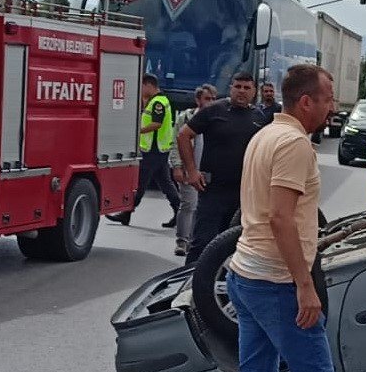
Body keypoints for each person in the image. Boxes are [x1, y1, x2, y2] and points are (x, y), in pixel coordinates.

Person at [210, 65, 337, 372]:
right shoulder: (294, 144)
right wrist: (305, 285)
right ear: (305, 102)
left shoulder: (265, 134)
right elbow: (282, 219)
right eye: (327, 98)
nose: (332, 106)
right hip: (275, 282)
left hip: (245, 273)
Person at [176, 73, 267, 264]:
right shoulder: (214, 111)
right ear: (231, 88)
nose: (241, 91)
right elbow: (183, 136)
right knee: (202, 243)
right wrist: (191, 171)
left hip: (244, 193)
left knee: (233, 245)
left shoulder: (259, 118)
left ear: (254, 92)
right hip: (213, 190)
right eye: (238, 86)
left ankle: (218, 287)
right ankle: (188, 285)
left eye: (246, 88)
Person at [109, 74, 181, 227]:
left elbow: (156, 124)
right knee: (165, 183)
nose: (140, 90)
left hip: (153, 150)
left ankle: (126, 213)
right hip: (158, 149)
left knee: (140, 183)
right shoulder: (156, 101)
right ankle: (179, 212)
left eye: (141, 87)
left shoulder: (158, 103)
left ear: (149, 85)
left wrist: (138, 131)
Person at [171, 84, 217, 258]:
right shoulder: (187, 117)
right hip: (189, 169)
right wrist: (177, 166)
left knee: (202, 208)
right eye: (207, 99)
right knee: (189, 204)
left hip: (208, 171)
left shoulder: (218, 118)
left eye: (213, 99)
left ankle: (195, 241)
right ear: (198, 100)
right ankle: (182, 241)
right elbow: (176, 142)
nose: (210, 102)